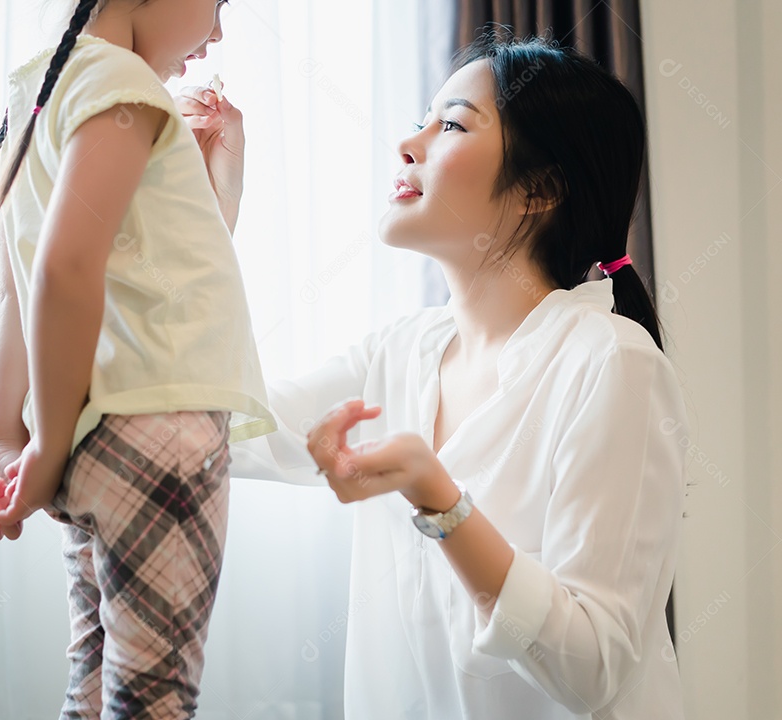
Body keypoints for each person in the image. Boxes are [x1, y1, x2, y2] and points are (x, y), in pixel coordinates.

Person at [212, 36, 688, 718]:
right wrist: (211, 215)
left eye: (454, 124)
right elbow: (212, 426)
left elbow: (594, 667)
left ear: (539, 189)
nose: (408, 145)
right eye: (421, 120)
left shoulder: (612, 363)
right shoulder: (398, 354)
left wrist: (438, 498)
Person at [0, 1, 276, 717]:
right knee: (154, 700)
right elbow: (64, 271)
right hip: (164, 430)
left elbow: (26, 288)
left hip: (98, 437)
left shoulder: (39, 90)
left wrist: (11, 437)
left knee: (94, 684)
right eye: (218, 5)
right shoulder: (123, 85)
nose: (219, 32)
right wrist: (45, 444)